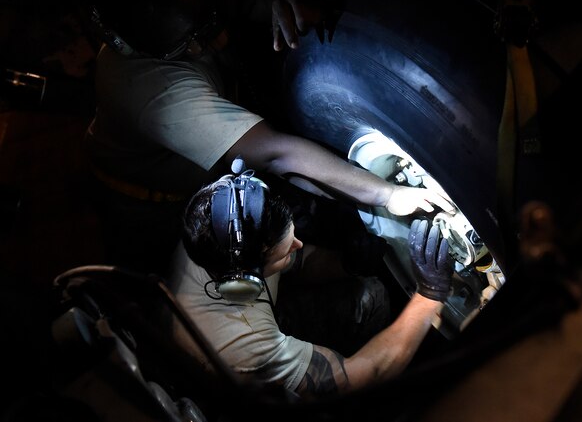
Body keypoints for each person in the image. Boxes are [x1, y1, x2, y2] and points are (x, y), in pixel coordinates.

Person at [77, 0, 452, 273]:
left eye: (201, 27)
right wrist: (386, 194)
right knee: (198, 270)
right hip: (150, 200)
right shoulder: (143, 89)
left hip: (223, 131)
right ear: (128, 46)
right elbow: (274, 153)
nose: (200, 46)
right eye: (179, 47)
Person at [168, 167, 455, 400]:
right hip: (238, 386)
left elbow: (298, 260)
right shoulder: (243, 343)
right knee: (370, 302)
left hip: (266, 311)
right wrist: (430, 293)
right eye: (285, 250)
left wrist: (347, 263)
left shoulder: (217, 222)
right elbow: (355, 380)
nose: (299, 244)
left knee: (368, 290)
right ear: (246, 280)